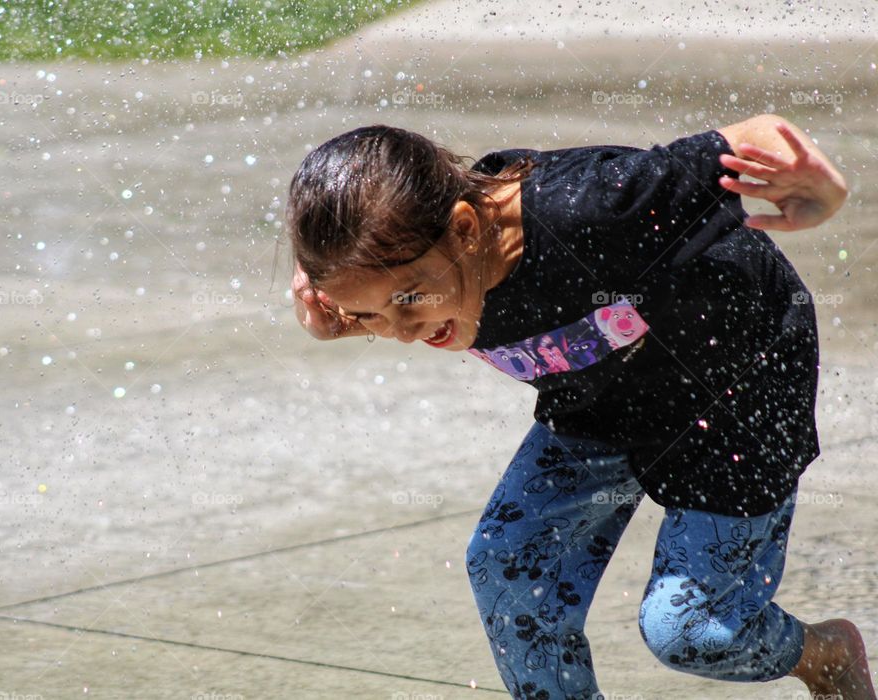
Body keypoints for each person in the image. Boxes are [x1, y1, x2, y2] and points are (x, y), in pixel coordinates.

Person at [285, 117, 875, 700]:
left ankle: (826, 657)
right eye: (371, 317)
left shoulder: (589, 210)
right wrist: (340, 323)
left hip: (737, 391)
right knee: (507, 567)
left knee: (689, 631)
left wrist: (821, 188)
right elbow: (376, 297)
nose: (405, 332)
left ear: (466, 229)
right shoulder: (417, 284)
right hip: (601, 398)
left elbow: (759, 137)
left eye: (410, 300)